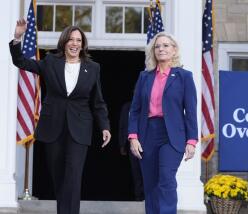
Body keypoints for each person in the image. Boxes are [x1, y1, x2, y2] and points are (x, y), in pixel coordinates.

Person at [9, 19, 111, 214]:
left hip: (79, 129)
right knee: (59, 177)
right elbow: (20, 61)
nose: (74, 44)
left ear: (83, 44)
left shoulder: (93, 67)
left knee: (73, 176)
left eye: (78, 40)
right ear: (64, 42)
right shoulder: (50, 62)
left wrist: (105, 126)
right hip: (52, 127)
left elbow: (98, 101)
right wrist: (17, 38)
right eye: (71, 40)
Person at [128, 32, 198, 214]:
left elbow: (190, 111)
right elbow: (135, 110)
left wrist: (191, 141)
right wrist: (133, 136)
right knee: (150, 183)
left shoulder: (184, 76)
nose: (161, 49)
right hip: (147, 133)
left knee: (166, 178)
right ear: (153, 51)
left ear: (174, 50)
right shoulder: (145, 77)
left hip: (172, 135)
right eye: (158, 46)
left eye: (166, 45)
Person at [118, 101, 144, 201]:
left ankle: (148, 197)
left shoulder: (148, 104)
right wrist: (122, 144)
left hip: (147, 143)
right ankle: (139, 197)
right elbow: (122, 125)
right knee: (136, 171)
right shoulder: (127, 107)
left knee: (147, 172)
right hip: (132, 144)